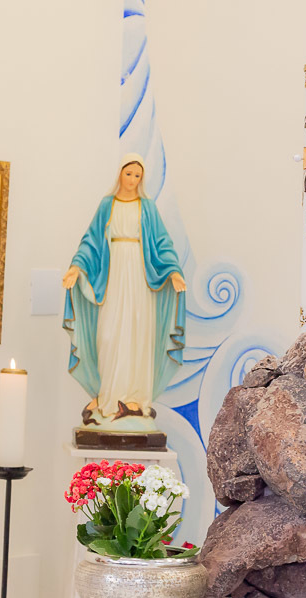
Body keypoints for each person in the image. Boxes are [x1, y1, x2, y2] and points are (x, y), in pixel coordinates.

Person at [62, 153, 186, 427]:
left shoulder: (147, 207)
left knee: (138, 332)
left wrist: (173, 271)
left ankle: (135, 400)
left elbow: (162, 242)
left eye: (137, 176)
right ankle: (108, 397)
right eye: (128, 173)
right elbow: (91, 241)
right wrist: (76, 267)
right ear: (119, 173)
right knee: (109, 334)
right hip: (113, 273)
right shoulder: (107, 205)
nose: (132, 180)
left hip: (140, 277)